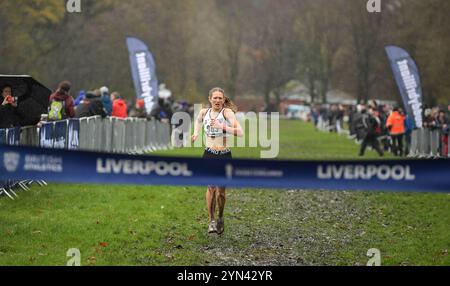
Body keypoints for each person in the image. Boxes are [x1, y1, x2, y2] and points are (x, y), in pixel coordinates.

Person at [192, 87, 243, 235]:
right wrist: (195, 133)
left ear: (223, 99)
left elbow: (239, 132)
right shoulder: (204, 112)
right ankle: (212, 221)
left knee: (221, 192)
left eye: (220, 98)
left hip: (224, 155)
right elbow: (198, 121)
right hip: (209, 154)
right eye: (215, 98)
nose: (217, 100)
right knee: (211, 188)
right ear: (210, 99)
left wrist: (222, 126)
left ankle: (220, 216)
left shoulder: (227, 113)